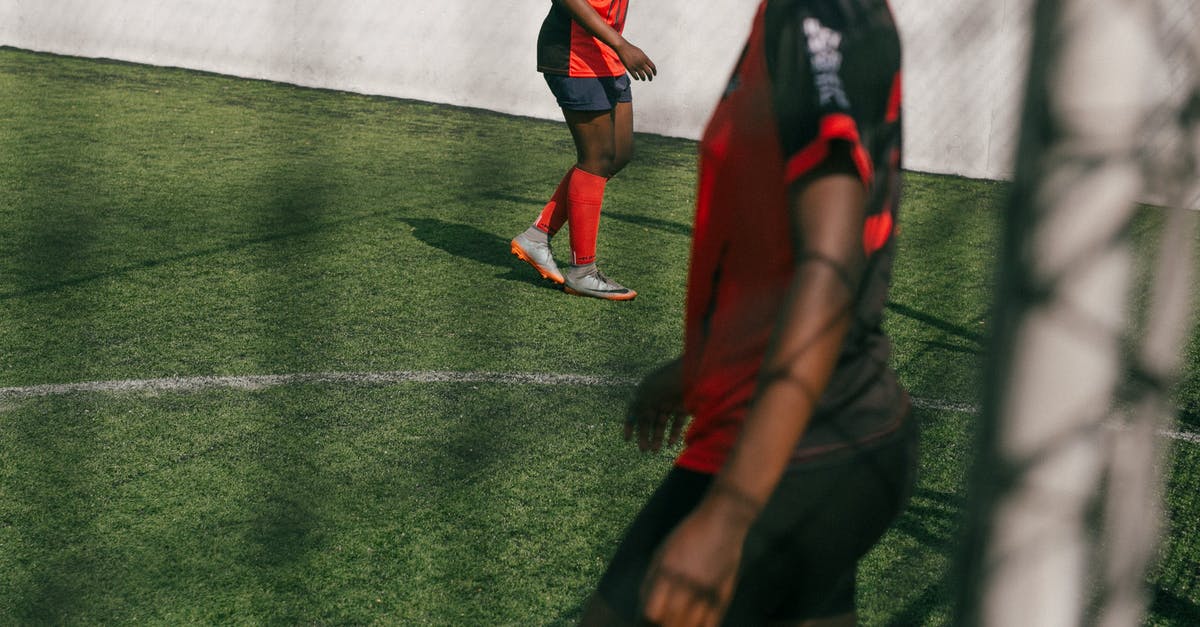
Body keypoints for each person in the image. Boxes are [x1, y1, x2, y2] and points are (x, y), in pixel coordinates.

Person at [579, 0, 916, 624]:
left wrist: (729, 514)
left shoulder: (820, 13)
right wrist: (700, 368)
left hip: (788, 443)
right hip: (830, 432)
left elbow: (831, 260)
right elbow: (770, 245)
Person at [510, 0, 656, 301]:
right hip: (574, 55)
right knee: (596, 158)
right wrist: (622, 44)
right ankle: (582, 271)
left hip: (606, 55)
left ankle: (537, 237)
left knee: (618, 154)